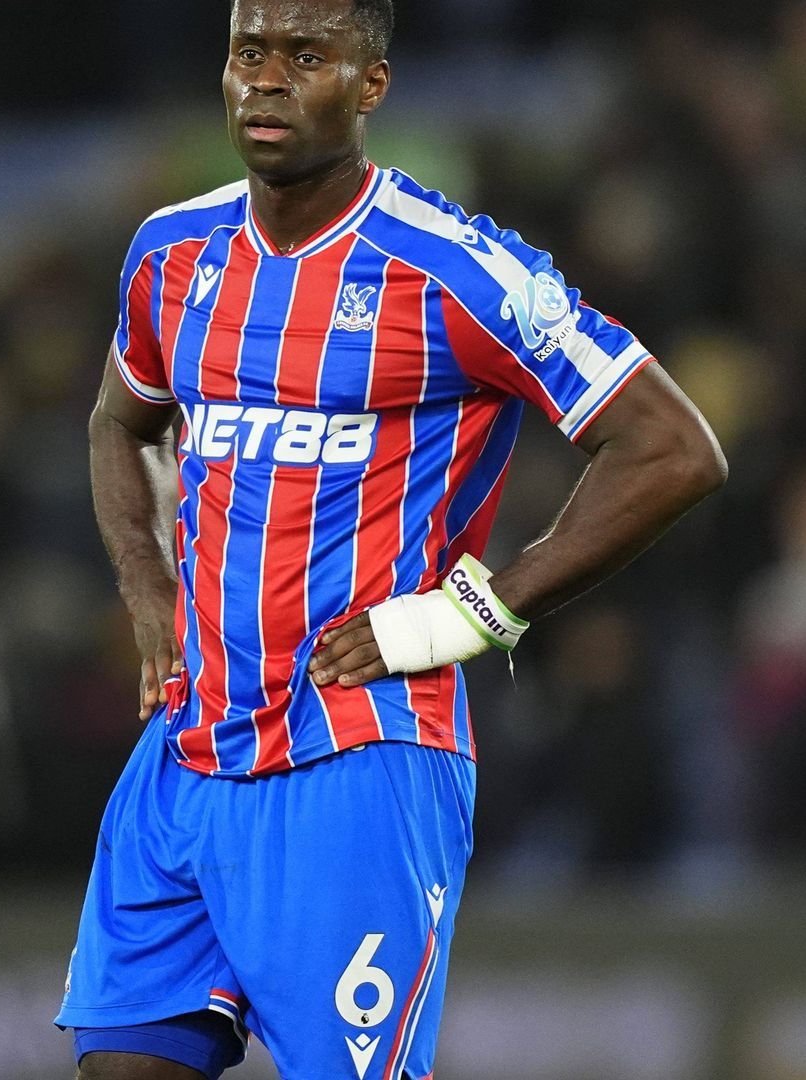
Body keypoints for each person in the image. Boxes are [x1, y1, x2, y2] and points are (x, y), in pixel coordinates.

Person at [59, 0, 727, 1076]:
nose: (265, 82)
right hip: (188, 751)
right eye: (249, 53)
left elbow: (673, 448)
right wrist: (150, 592)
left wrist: (487, 608)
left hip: (355, 759)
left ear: (371, 86)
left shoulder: (453, 267)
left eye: (305, 58)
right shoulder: (171, 255)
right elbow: (121, 422)